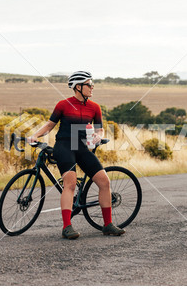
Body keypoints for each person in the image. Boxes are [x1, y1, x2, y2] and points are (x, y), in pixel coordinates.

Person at [27, 71, 125, 239]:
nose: (92, 87)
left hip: (81, 147)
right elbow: (50, 125)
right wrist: (35, 136)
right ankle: (67, 227)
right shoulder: (63, 105)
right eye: (89, 84)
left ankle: (107, 225)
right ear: (78, 87)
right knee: (70, 184)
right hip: (64, 145)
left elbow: (99, 128)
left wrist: (98, 135)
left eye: (92, 84)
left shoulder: (94, 107)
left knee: (104, 182)